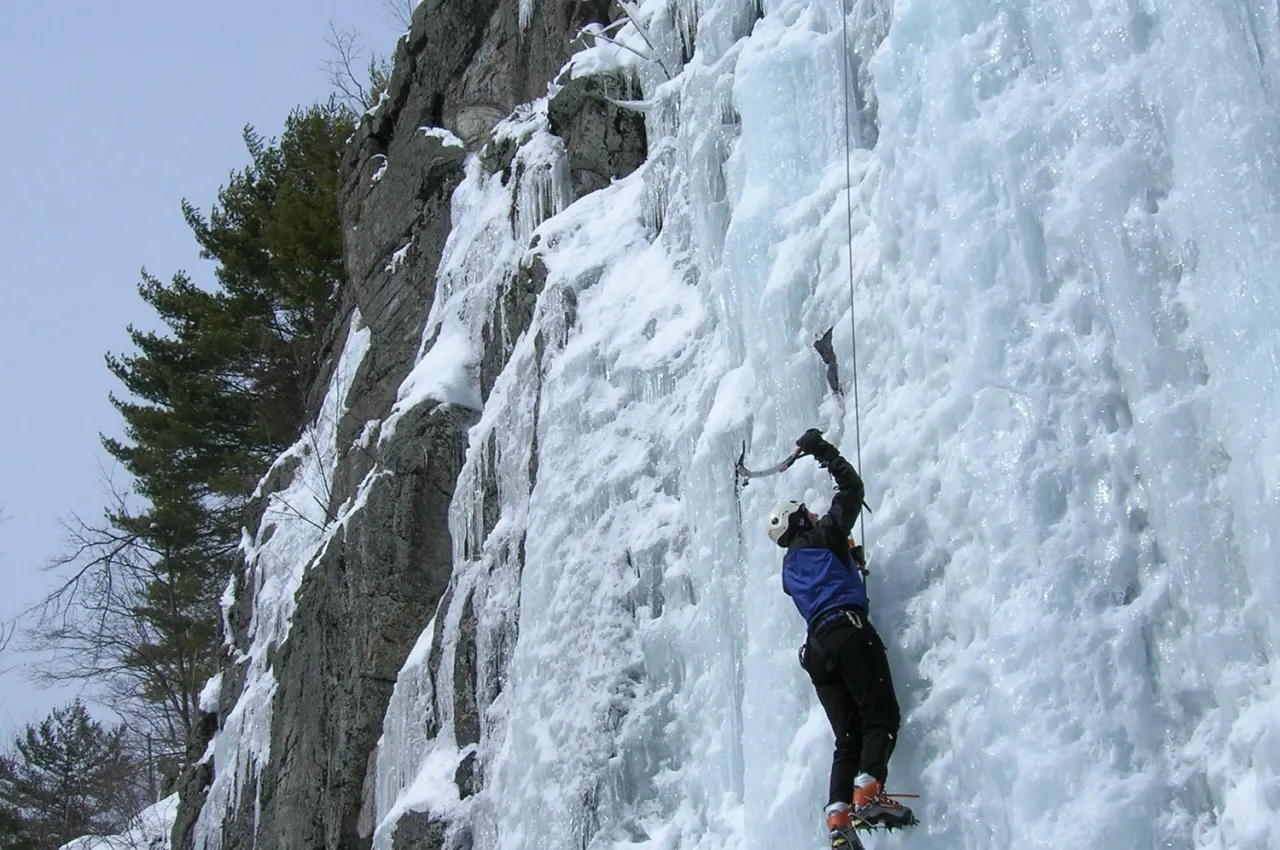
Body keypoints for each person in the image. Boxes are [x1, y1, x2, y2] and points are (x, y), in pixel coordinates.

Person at [766, 429, 914, 846]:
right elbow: (852, 488)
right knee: (881, 717)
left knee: (847, 739)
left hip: (817, 652)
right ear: (800, 521)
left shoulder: (790, 570)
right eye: (807, 513)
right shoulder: (823, 536)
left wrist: (849, 561)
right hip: (846, 631)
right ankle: (868, 794)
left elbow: (827, 577)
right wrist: (821, 451)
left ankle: (838, 819)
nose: (814, 514)